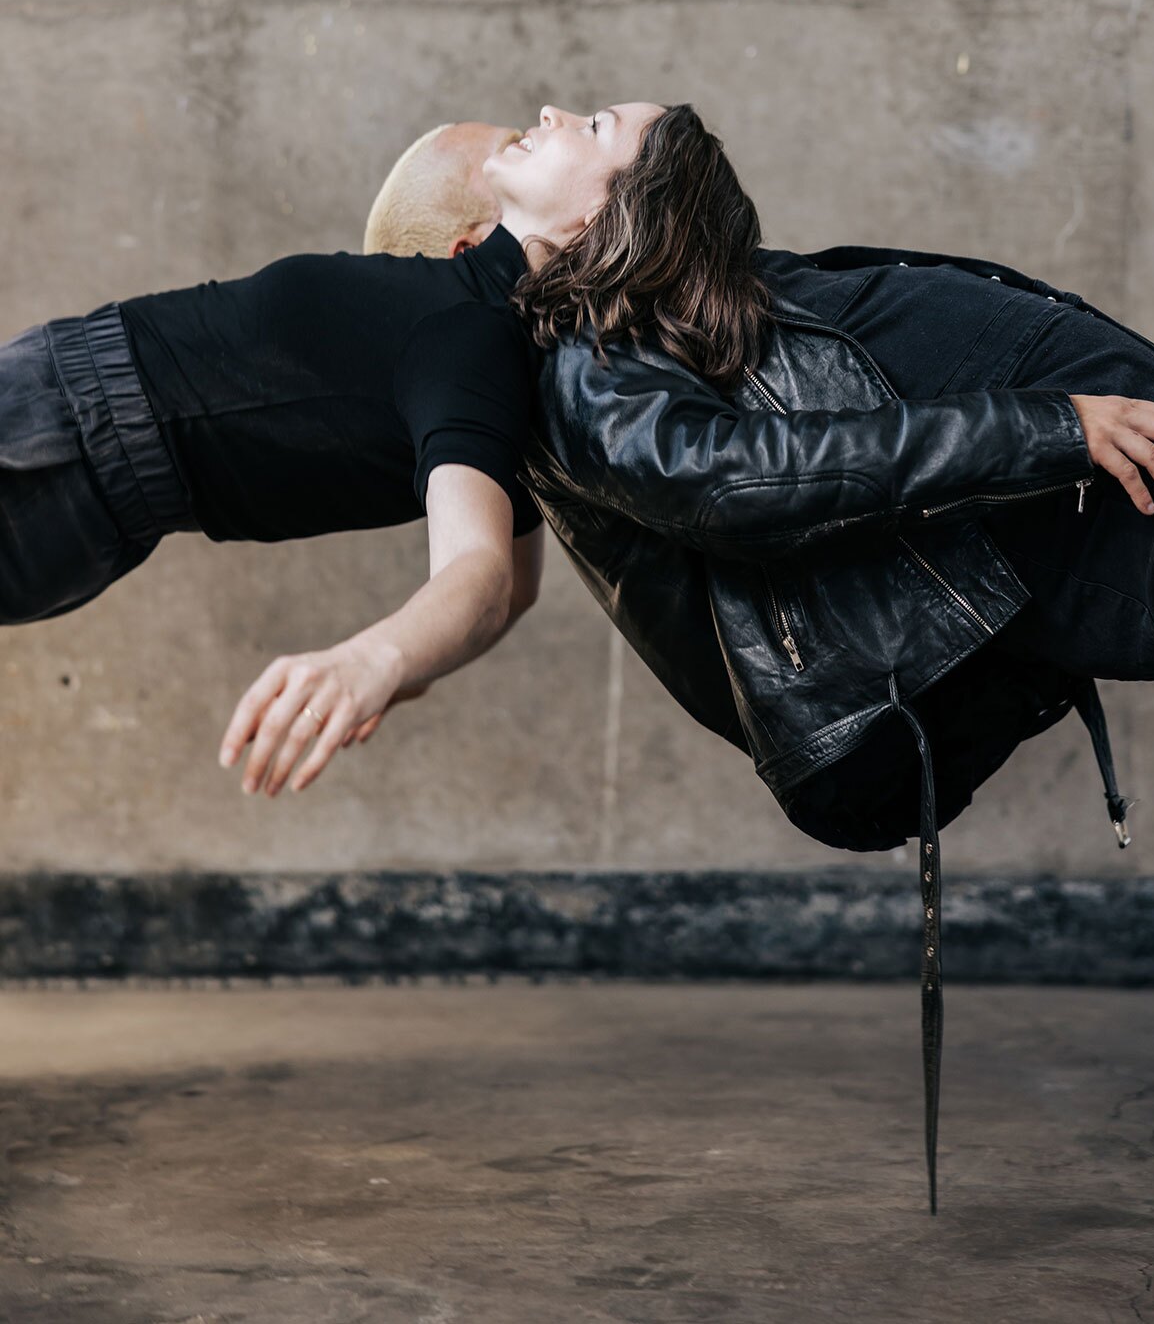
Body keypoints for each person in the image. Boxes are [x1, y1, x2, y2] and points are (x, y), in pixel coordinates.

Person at [364, 101, 1154, 1213]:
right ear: (496, 241)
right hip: (1079, 516)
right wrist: (1044, 426)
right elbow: (724, 477)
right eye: (523, 143)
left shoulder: (647, 312)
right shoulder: (574, 355)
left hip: (1088, 505)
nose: (554, 112)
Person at [0, 102, 664, 802]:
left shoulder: (468, 336)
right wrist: (403, 668)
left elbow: (486, 574)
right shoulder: (491, 357)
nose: (551, 112)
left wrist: (375, 660)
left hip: (63, 439)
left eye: (594, 126)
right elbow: (514, 587)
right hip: (76, 462)